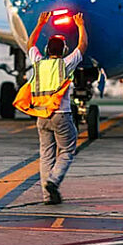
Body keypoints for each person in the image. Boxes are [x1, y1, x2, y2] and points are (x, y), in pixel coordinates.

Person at [25, 11, 88, 205]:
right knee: (67, 151)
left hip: (41, 116)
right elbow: (82, 46)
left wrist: (40, 24)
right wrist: (80, 25)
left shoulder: (38, 63)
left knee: (46, 154)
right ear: (62, 51)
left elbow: (30, 45)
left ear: (46, 50)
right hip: (61, 115)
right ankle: (53, 180)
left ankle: (47, 196)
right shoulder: (65, 64)